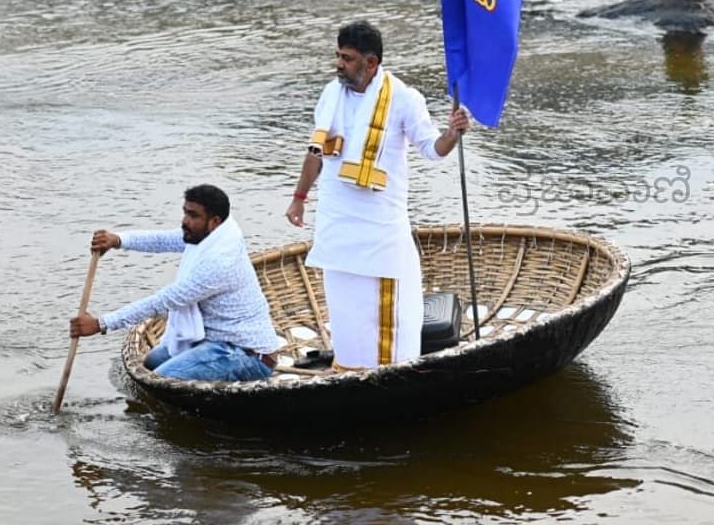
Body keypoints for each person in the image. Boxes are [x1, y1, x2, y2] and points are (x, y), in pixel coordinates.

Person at [285, 21, 470, 370]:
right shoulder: (331, 95)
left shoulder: (403, 98)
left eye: (348, 58)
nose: (339, 64)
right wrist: (299, 197)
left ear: (372, 63)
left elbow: (433, 149)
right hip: (337, 224)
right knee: (345, 305)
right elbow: (315, 153)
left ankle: (391, 371)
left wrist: (452, 133)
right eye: (338, 56)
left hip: (380, 229)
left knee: (387, 311)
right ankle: (350, 367)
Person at [69, 184, 282, 382]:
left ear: (214, 221)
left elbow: (164, 301)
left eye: (193, 215)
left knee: (161, 379)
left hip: (246, 353)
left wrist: (101, 324)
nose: (185, 221)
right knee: (151, 362)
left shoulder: (219, 261)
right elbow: (166, 239)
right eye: (185, 212)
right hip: (214, 339)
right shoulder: (212, 235)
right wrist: (118, 240)